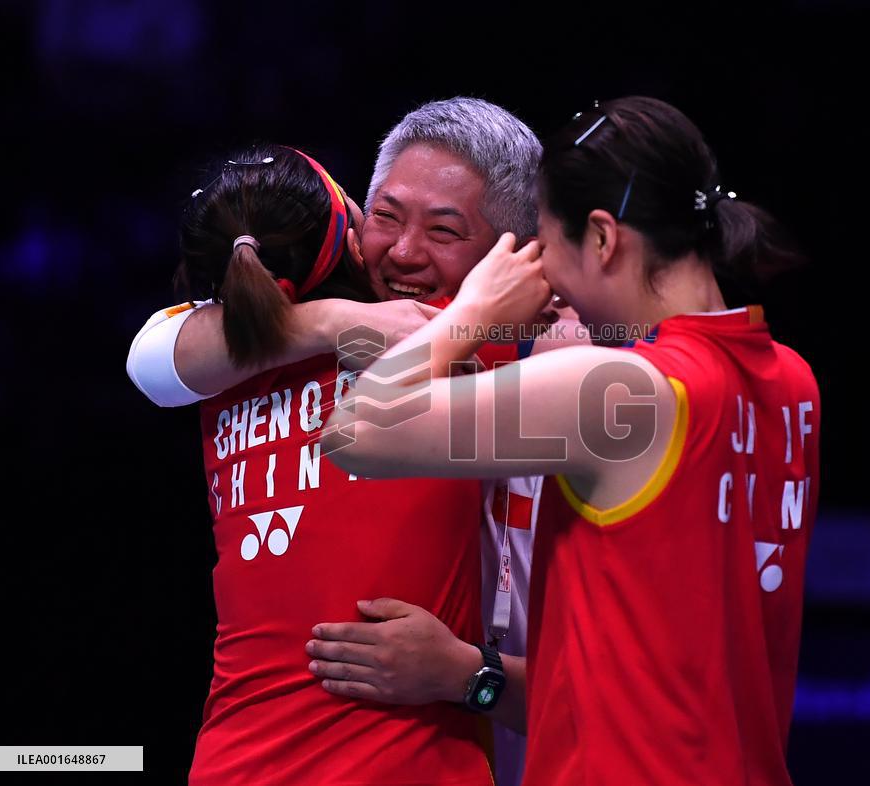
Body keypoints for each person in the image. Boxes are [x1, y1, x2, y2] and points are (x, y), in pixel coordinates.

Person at [322, 96, 821, 785]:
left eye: (545, 249)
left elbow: (358, 426)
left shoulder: (620, 392)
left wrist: (475, 309)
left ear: (604, 238)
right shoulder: (793, 382)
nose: (540, 275)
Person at [127, 98, 568, 785]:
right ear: (355, 217)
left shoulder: (504, 343)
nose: (404, 250)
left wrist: (465, 676)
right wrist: (336, 321)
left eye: (444, 231)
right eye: (387, 217)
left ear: (506, 257)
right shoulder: (262, 337)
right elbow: (148, 359)